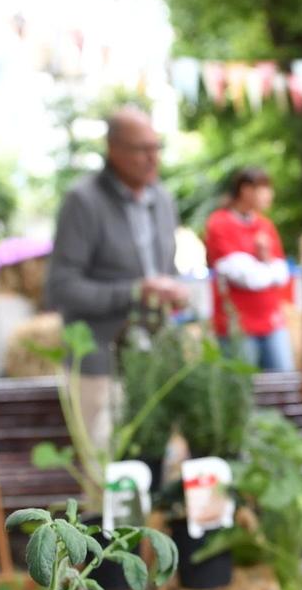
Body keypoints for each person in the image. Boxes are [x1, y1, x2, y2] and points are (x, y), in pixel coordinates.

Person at [44, 108, 192, 449]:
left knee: (159, 459)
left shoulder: (163, 198)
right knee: (106, 467)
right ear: (114, 149)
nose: (153, 157)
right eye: (142, 148)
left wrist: (175, 291)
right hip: (99, 363)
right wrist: (135, 292)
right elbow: (60, 287)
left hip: (155, 359)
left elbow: (165, 271)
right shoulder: (83, 201)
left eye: (157, 147)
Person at [204, 167, 295, 370]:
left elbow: (282, 274)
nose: (269, 195)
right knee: (244, 391)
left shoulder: (265, 225)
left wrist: (263, 260)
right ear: (246, 190)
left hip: (272, 322)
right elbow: (245, 277)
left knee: (283, 385)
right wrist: (266, 266)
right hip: (237, 327)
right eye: (264, 188)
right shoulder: (219, 223)